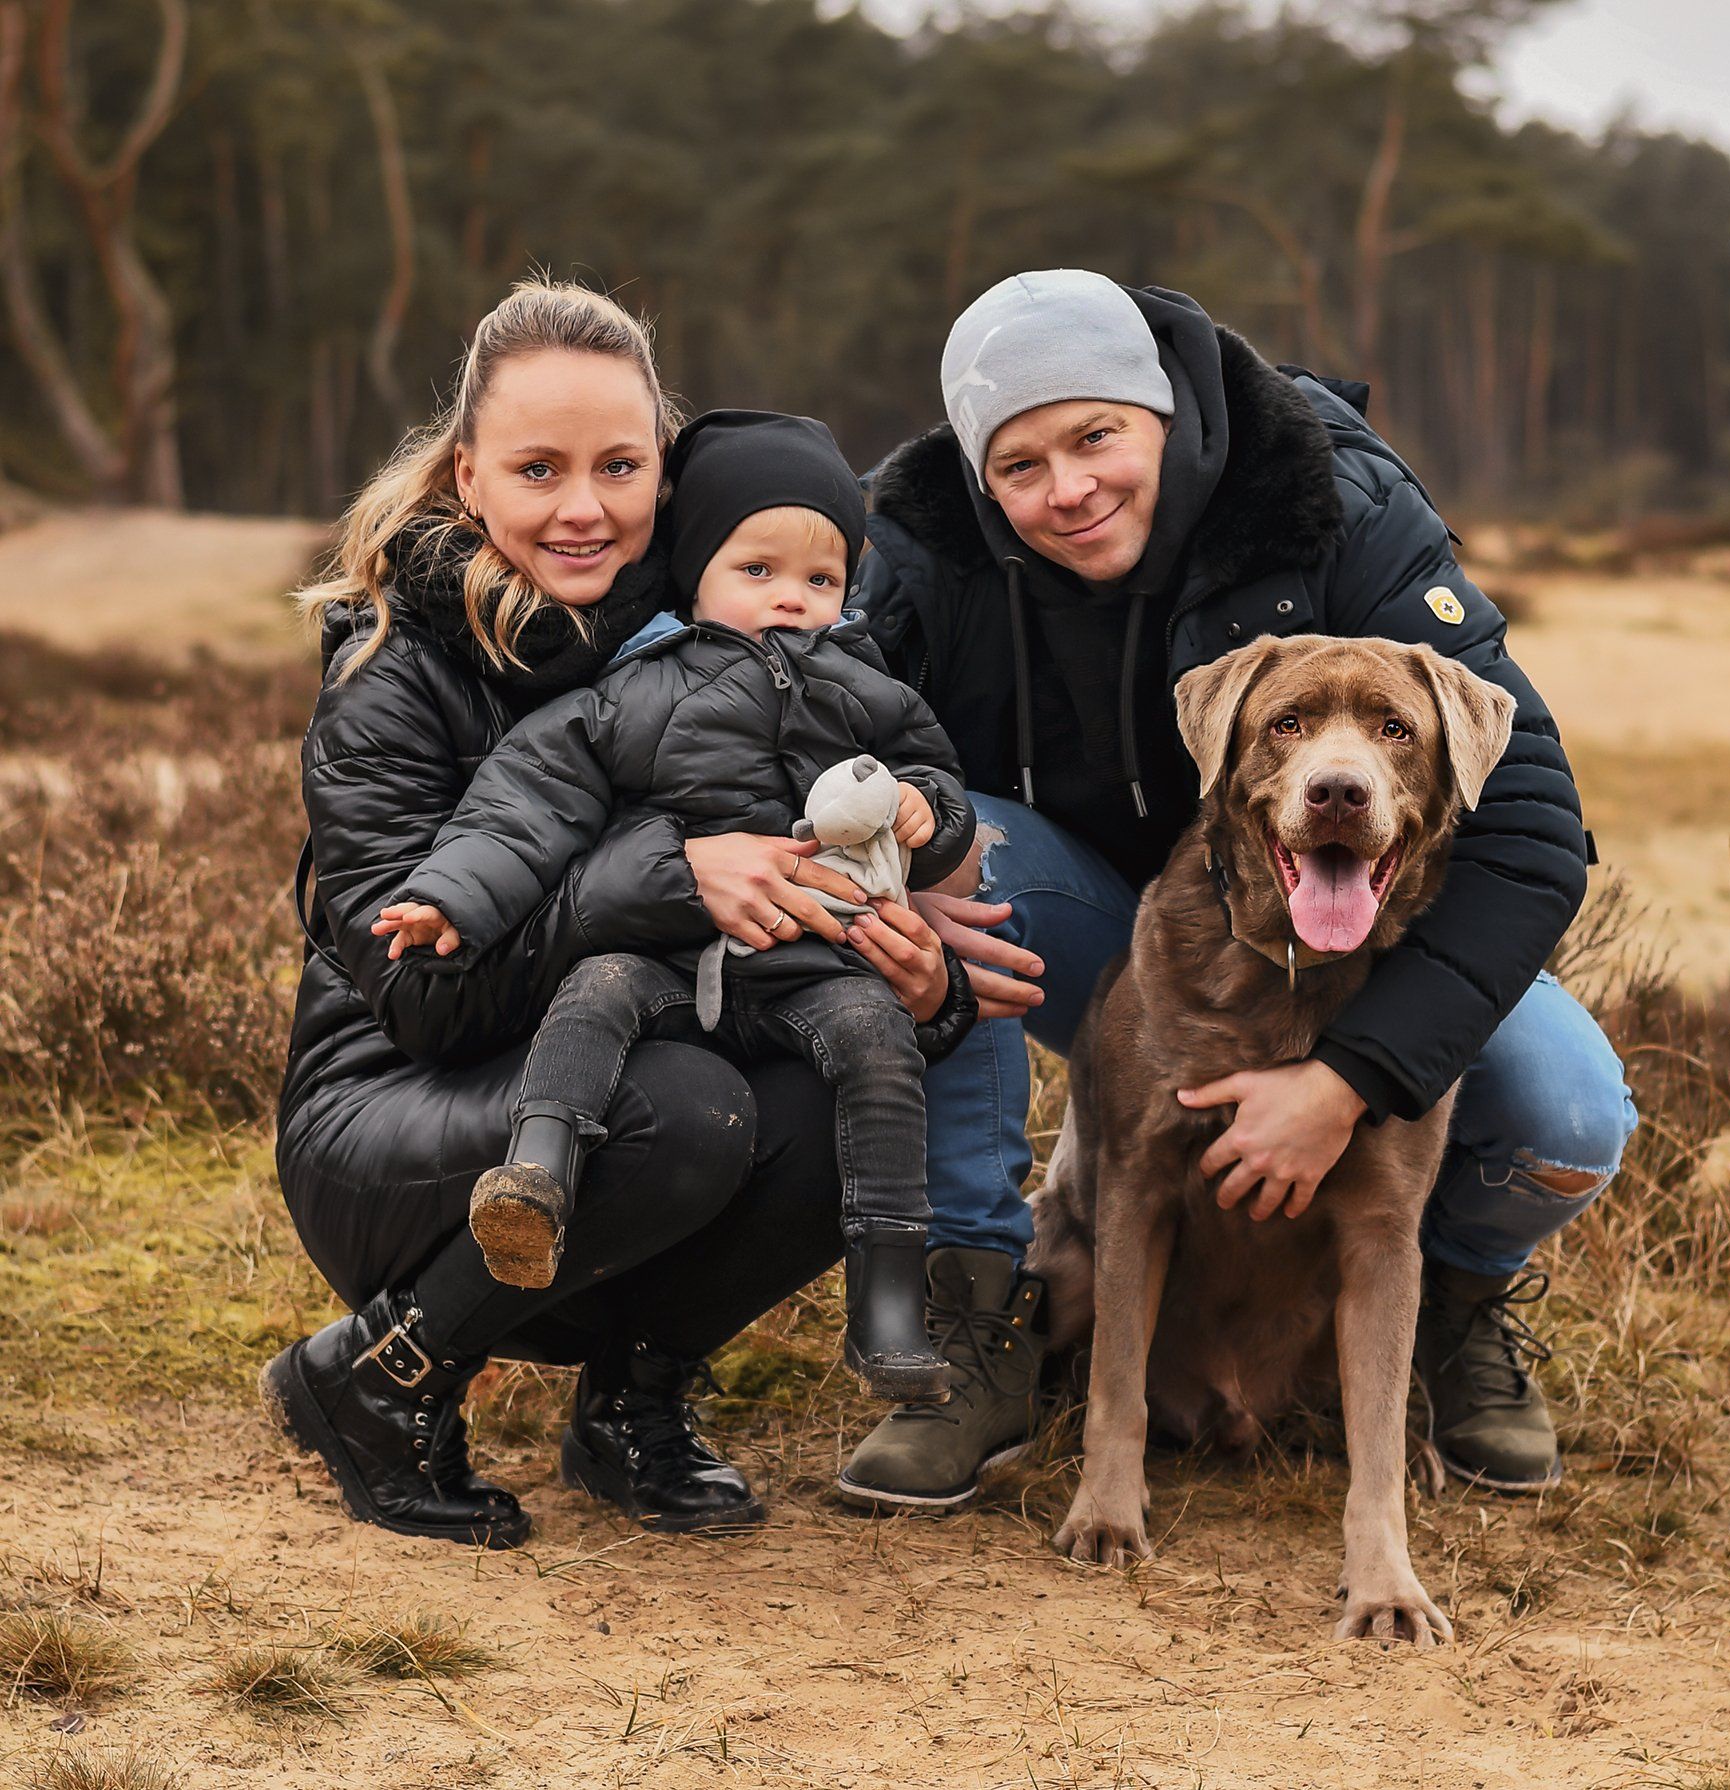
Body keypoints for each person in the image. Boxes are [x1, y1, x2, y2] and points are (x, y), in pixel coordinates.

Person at [837, 268, 1639, 1510]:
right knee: (935, 871)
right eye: (1022, 463)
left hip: (1361, 935)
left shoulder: (1331, 498)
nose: (1069, 488)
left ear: (1160, 411)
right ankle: (983, 1312)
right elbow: (805, 727)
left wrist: (1352, 1076)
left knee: (1569, 1106)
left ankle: (1449, 1310)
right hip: (1111, 926)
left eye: (1097, 435)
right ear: (979, 478)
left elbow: (1531, 829)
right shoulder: (926, 551)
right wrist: (895, 854)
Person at [267, 280, 969, 1548]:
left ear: (666, 475)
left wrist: (923, 977)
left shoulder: (739, 621)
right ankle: (381, 1377)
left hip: (619, 1082)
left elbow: (871, 850)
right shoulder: (392, 675)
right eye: (538, 468)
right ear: (469, 478)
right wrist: (674, 873)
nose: (582, 506)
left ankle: (634, 1399)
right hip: (393, 1116)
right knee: (686, 1109)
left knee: (858, 1073)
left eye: (618, 465)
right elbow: (425, 1001)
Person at [373, 409, 978, 1405]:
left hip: (807, 964)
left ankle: (886, 1305)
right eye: (758, 570)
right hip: (667, 950)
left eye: (819, 579)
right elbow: (527, 801)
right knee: (594, 988)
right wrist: (451, 896)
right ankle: (535, 1175)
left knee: (879, 1036)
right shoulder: (639, 691)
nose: (791, 596)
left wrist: (930, 809)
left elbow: (934, 778)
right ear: (695, 568)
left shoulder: (871, 694)